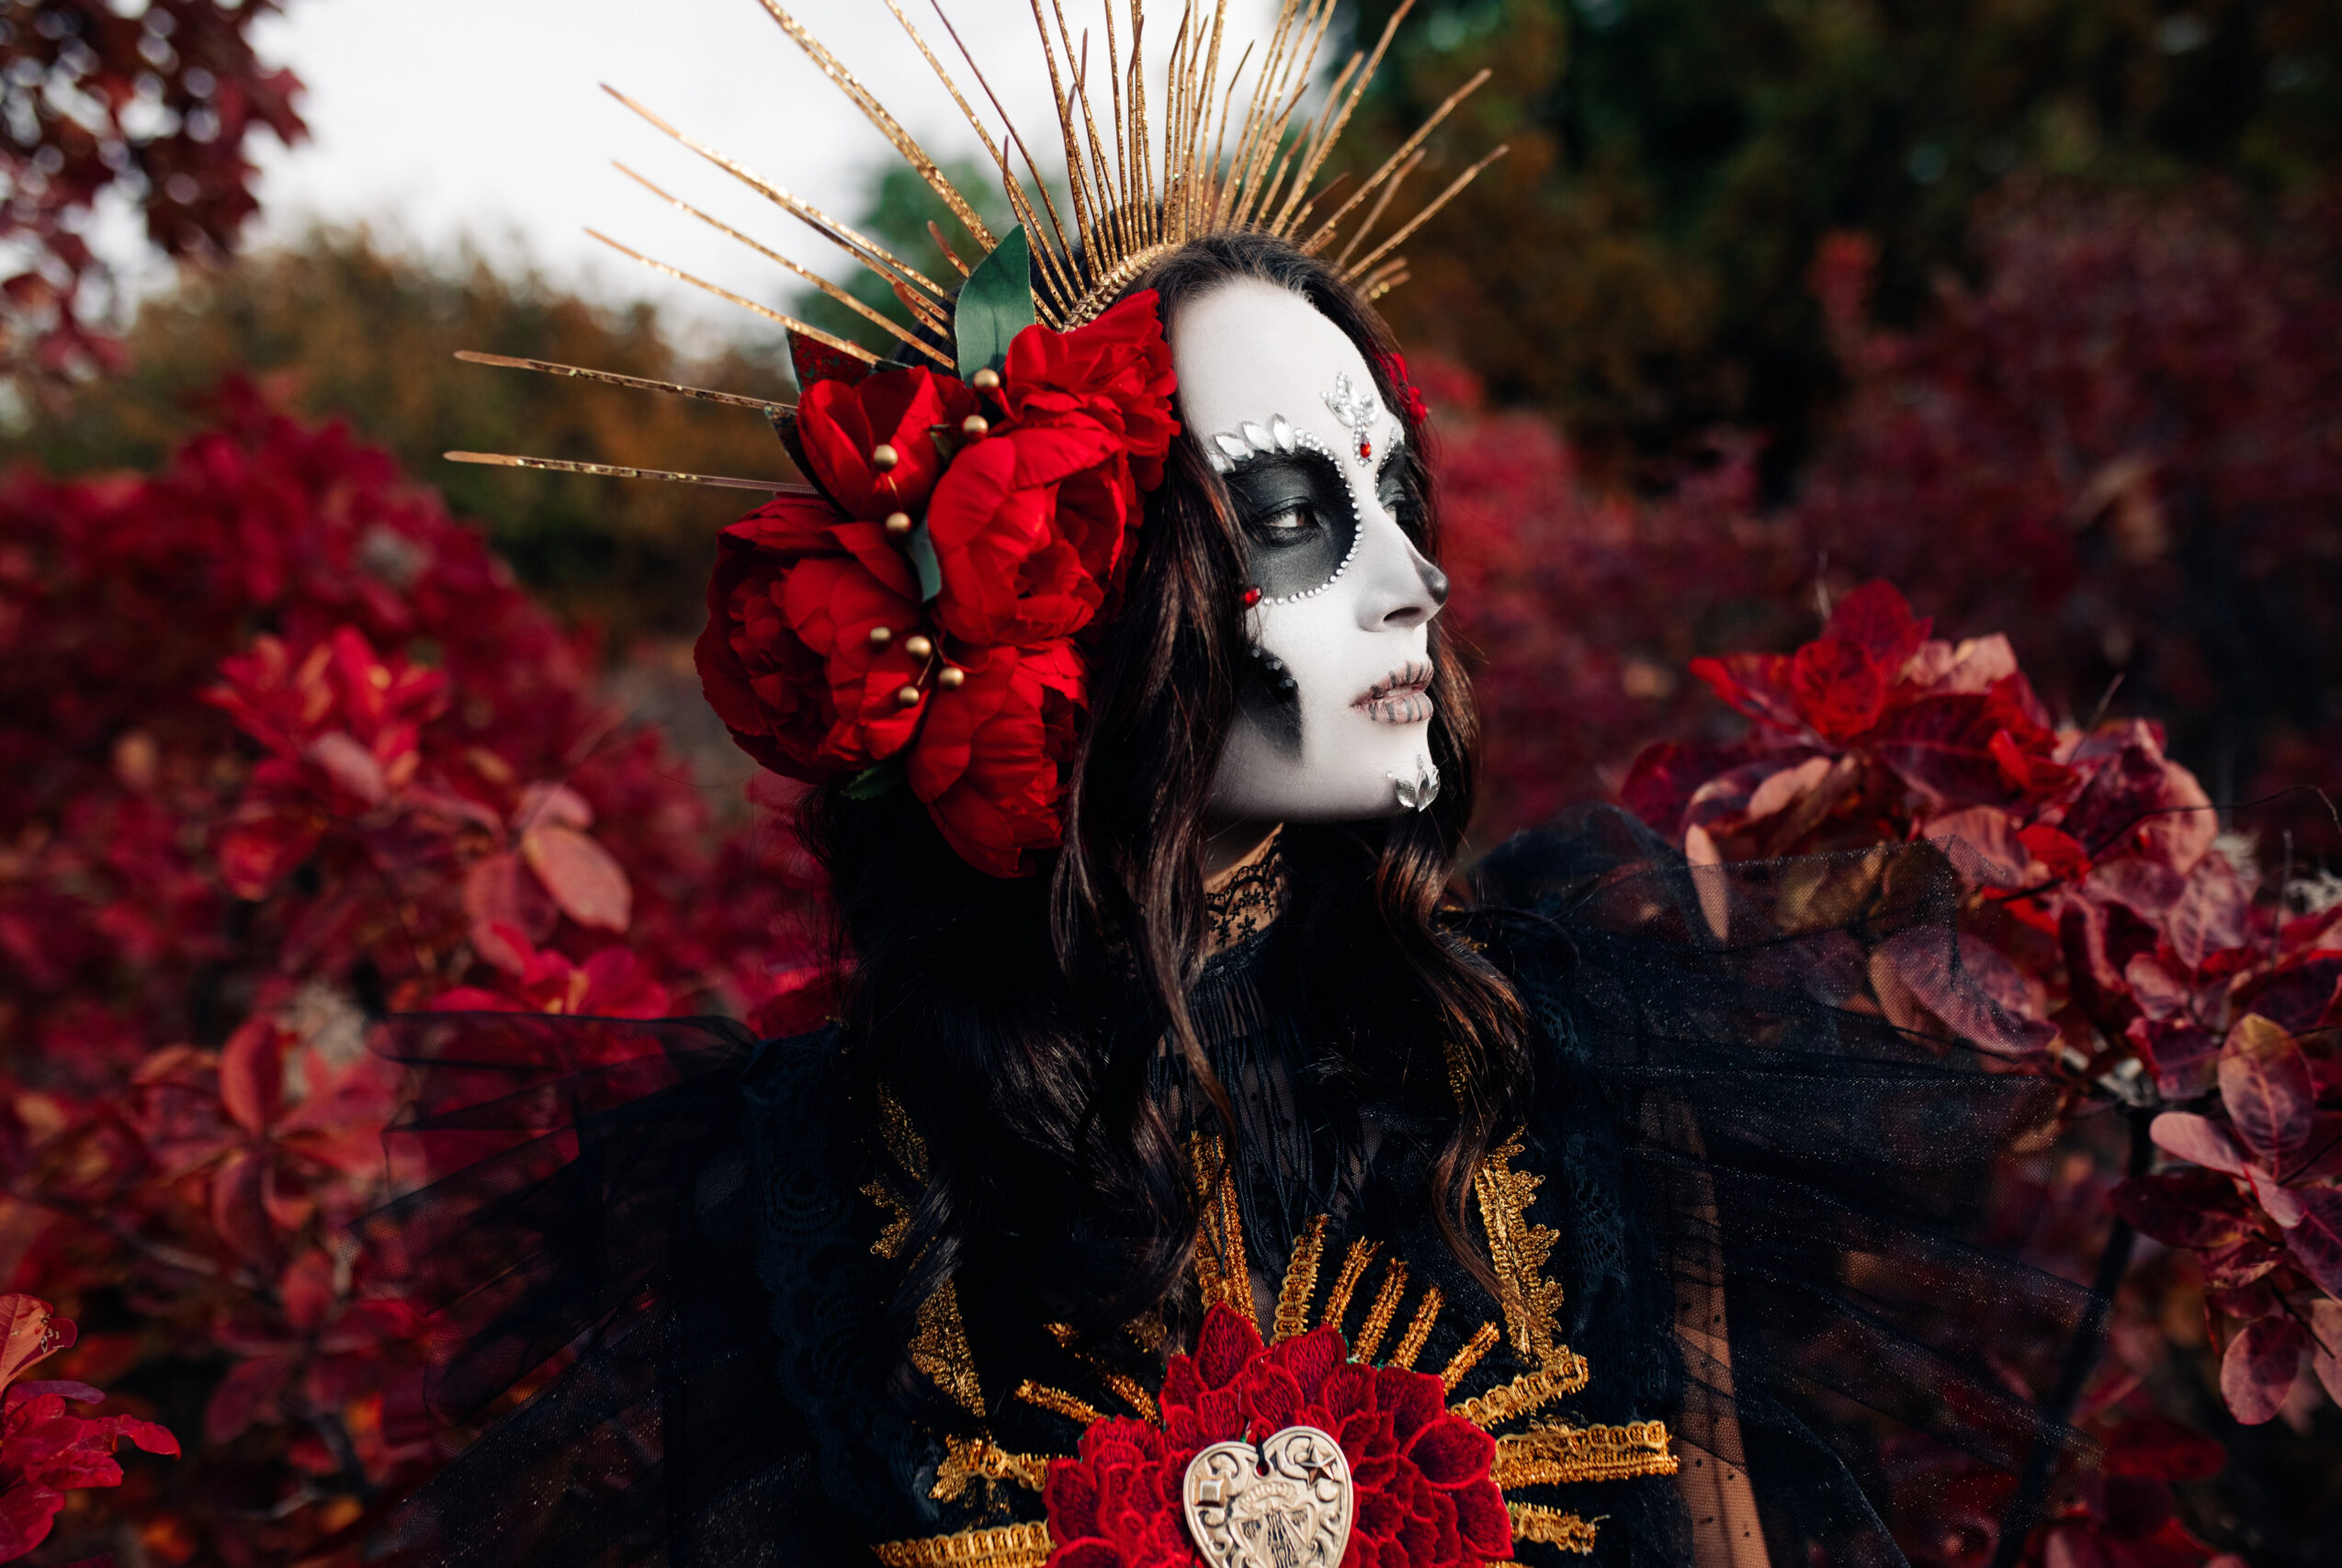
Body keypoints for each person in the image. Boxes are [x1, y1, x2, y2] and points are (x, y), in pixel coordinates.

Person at [366, 7, 2092, 1566]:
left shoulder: (1566, 1072)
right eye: (1291, 518)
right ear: (1087, 584)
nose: (1412, 579)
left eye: (1398, 495)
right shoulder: (815, 1179)